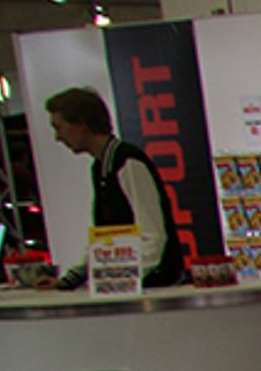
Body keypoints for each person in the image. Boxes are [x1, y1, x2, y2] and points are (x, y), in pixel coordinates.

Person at [43, 86, 180, 289]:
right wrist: (72, 279)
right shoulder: (100, 167)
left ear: (81, 124)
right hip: (130, 284)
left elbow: (153, 237)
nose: (57, 137)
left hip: (154, 287)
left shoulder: (128, 163)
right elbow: (105, 240)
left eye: (59, 127)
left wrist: (116, 278)